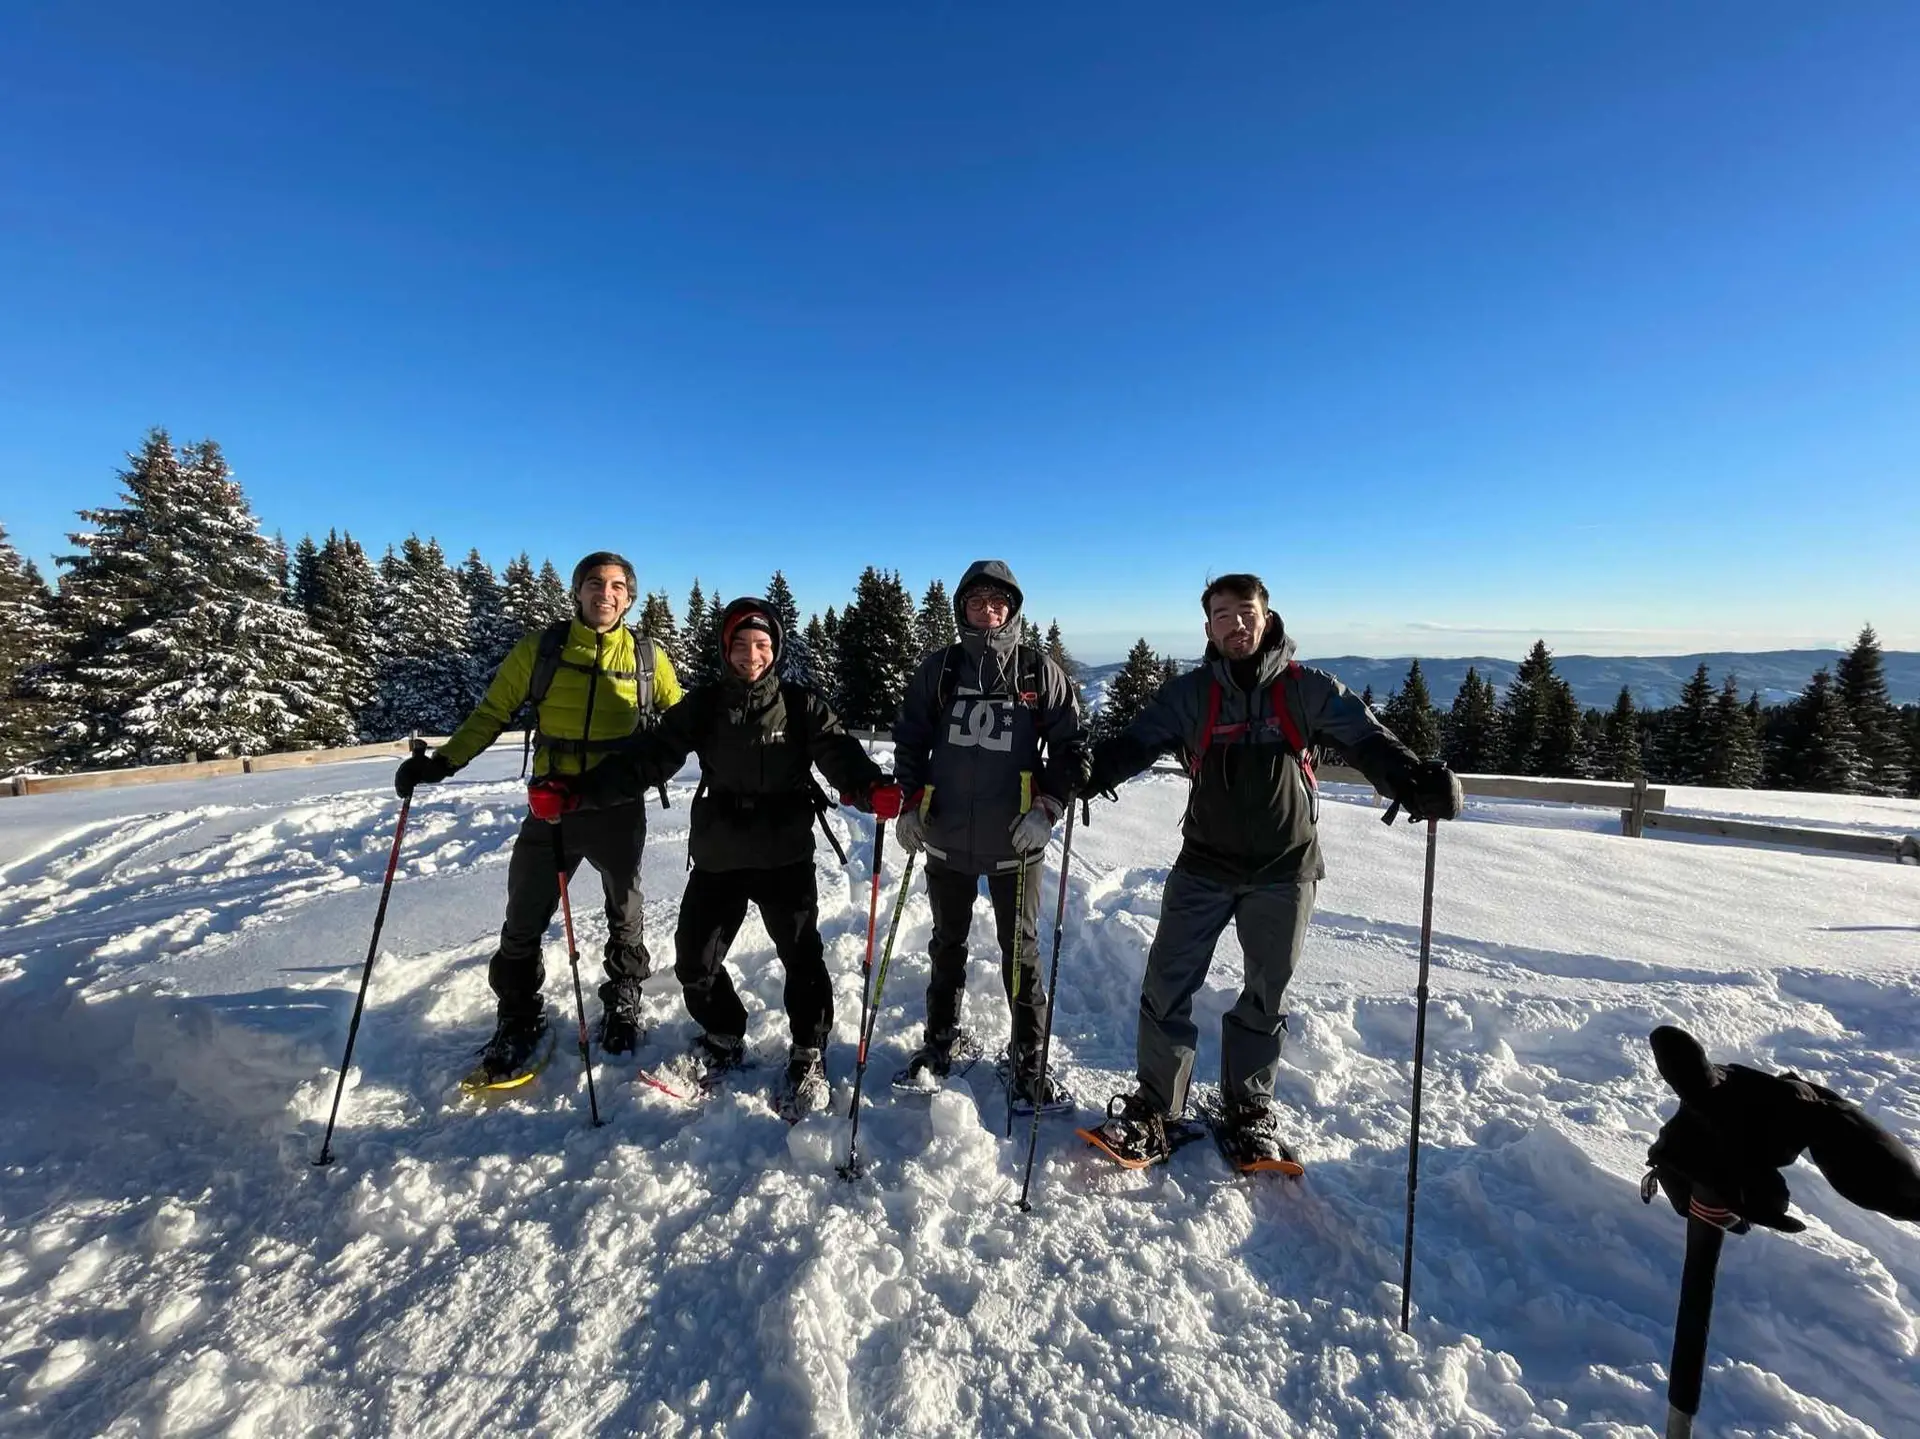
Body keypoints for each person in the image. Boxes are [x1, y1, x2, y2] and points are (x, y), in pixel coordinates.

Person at [1079, 572, 1463, 1170]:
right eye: (1223, 615)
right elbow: (1136, 742)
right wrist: (1088, 771)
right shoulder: (1190, 695)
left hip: (1286, 869)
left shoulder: (1307, 689)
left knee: (1266, 994)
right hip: (1203, 864)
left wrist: (1414, 778)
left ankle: (1248, 1111)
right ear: (1208, 627)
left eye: (1246, 612)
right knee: (1167, 985)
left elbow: (1366, 739)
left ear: (1267, 616)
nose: (1236, 624)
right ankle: (1155, 1108)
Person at [575, 596, 903, 1116]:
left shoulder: (801, 705)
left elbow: (841, 755)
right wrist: (577, 793)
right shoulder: (703, 706)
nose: (752, 655)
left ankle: (809, 1050)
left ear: (776, 649)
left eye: (762, 644)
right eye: (741, 644)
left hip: (784, 854)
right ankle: (724, 1035)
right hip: (719, 853)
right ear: (725, 649)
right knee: (694, 960)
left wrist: (872, 789)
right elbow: (648, 759)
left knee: (801, 957)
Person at [394, 551, 682, 1080]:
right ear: (577, 591)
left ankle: (623, 995)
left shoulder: (647, 656)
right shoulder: (541, 649)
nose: (605, 593)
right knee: (525, 912)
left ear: (629, 598)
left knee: (625, 908)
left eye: (617, 586)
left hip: (618, 808)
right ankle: (519, 1013)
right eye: (594, 583)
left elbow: (684, 720)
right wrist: (442, 762)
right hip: (552, 807)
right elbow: (491, 713)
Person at [890, 560, 1087, 1106]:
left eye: (998, 602)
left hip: (1015, 840)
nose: (988, 611)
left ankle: (1028, 1058)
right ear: (963, 608)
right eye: (977, 602)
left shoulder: (1036, 671)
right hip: (945, 835)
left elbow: (1071, 747)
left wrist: (1048, 807)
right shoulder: (941, 669)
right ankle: (939, 1040)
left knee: (1020, 951)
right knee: (946, 945)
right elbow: (910, 739)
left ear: (1012, 609)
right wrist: (910, 803)